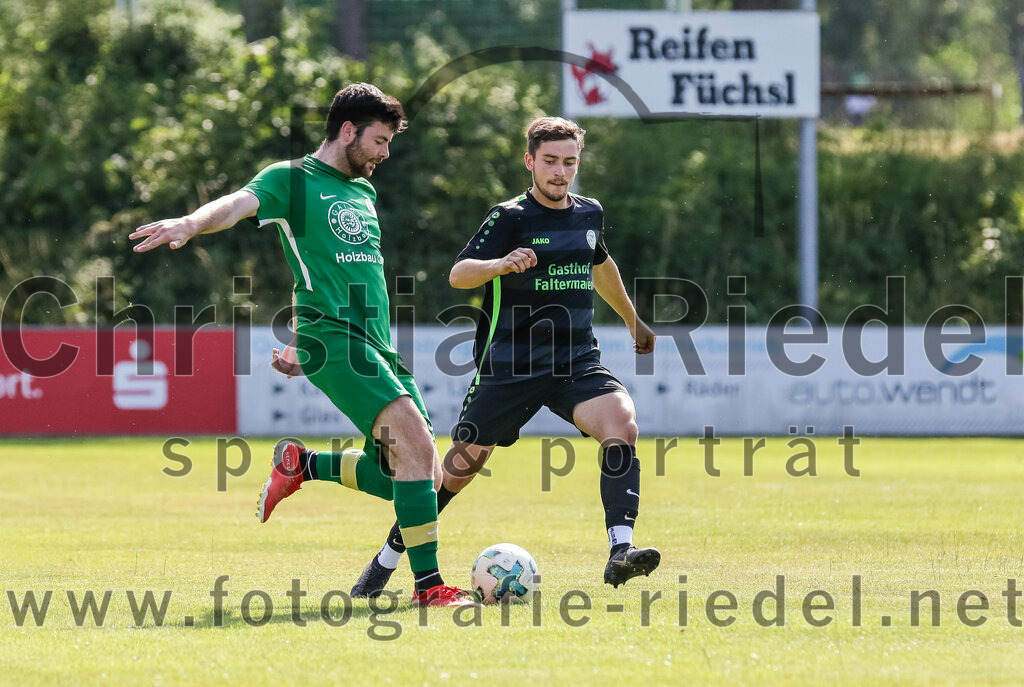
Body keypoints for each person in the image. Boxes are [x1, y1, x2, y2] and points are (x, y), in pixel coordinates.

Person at [129, 83, 478, 608]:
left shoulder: (363, 191)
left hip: (374, 343)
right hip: (336, 341)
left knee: (417, 476)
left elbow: (325, 267)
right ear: (346, 131)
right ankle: (429, 589)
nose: (386, 153)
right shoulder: (290, 178)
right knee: (417, 444)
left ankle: (303, 464)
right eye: (380, 141)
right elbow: (237, 205)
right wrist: (191, 223)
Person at [343, 115, 661, 596]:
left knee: (622, 424)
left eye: (569, 162)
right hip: (509, 365)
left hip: (575, 361)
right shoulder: (509, 217)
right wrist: (500, 264)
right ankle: (386, 561)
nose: (560, 172)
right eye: (550, 161)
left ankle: (621, 551)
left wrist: (633, 319)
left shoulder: (588, 213)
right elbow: (458, 274)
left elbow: (601, 263)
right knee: (459, 469)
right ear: (530, 161)